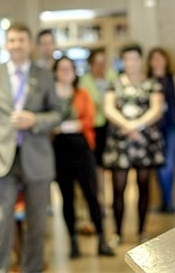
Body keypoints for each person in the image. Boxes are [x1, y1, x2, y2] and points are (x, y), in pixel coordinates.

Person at [0, 22, 62, 272]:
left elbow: (57, 113)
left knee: (37, 225)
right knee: (0, 224)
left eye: (21, 40)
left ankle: (32, 268)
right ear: (6, 44)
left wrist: (35, 120)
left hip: (37, 158)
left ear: (29, 44)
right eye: (12, 40)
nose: (17, 45)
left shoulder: (43, 74)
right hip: (0, 159)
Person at [51, 56, 114, 258]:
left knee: (91, 195)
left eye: (69, 68)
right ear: (55, 72)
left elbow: (89, 119)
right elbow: (47, 122)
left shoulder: (82, 93)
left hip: (81, 147)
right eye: (62, 69)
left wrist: (67, 126)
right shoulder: (50, 96)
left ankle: (102, 239)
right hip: (59, 149)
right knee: (66, 197)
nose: (66, 72)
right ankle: (73, 241)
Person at [103, 43, 164, 242]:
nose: (131, 63)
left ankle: (141, 231)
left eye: (135, 58)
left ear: (140, 60)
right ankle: (117, 232)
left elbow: (156, 109)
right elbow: (109, 109)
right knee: (118, 188)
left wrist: (137, 126)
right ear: (123, 61)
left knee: (143, 185)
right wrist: (127, 126)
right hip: (120, 142)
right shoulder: (115, 83)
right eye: (127, 59)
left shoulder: (152, 83)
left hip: (144, 141)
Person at [147, 47, 175, 213]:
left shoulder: (173, 78)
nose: (157, 62)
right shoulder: (147, 80)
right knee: (158, 165)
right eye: (154, 58)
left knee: (167, 165)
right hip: (153, 128)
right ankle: (166, 201)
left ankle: (168, 201)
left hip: (172, 125)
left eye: (160, 58)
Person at [79, 48, 117, 207]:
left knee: (112, 165)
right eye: (97, 63)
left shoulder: (112, 77)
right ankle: (100, 199)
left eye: (103, 62)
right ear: (91, 64)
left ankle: (112, 200)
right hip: (94, 128)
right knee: (97, 166)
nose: (100, 66)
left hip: (112, 126)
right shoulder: (84, 81)